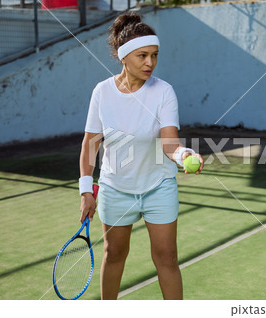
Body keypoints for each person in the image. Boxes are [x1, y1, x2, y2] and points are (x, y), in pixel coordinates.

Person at [78, 11, 203, 300]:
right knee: (114, 254)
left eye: (154, 55)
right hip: (114, 188)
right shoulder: (102, 92)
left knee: (167, 258)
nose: (150, 63)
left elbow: (169, 143)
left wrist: (184, 155)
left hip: (158, 187)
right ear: (124, 57)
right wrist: (86, 189)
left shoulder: (164, 92)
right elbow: (91, 143)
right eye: (142, 55)